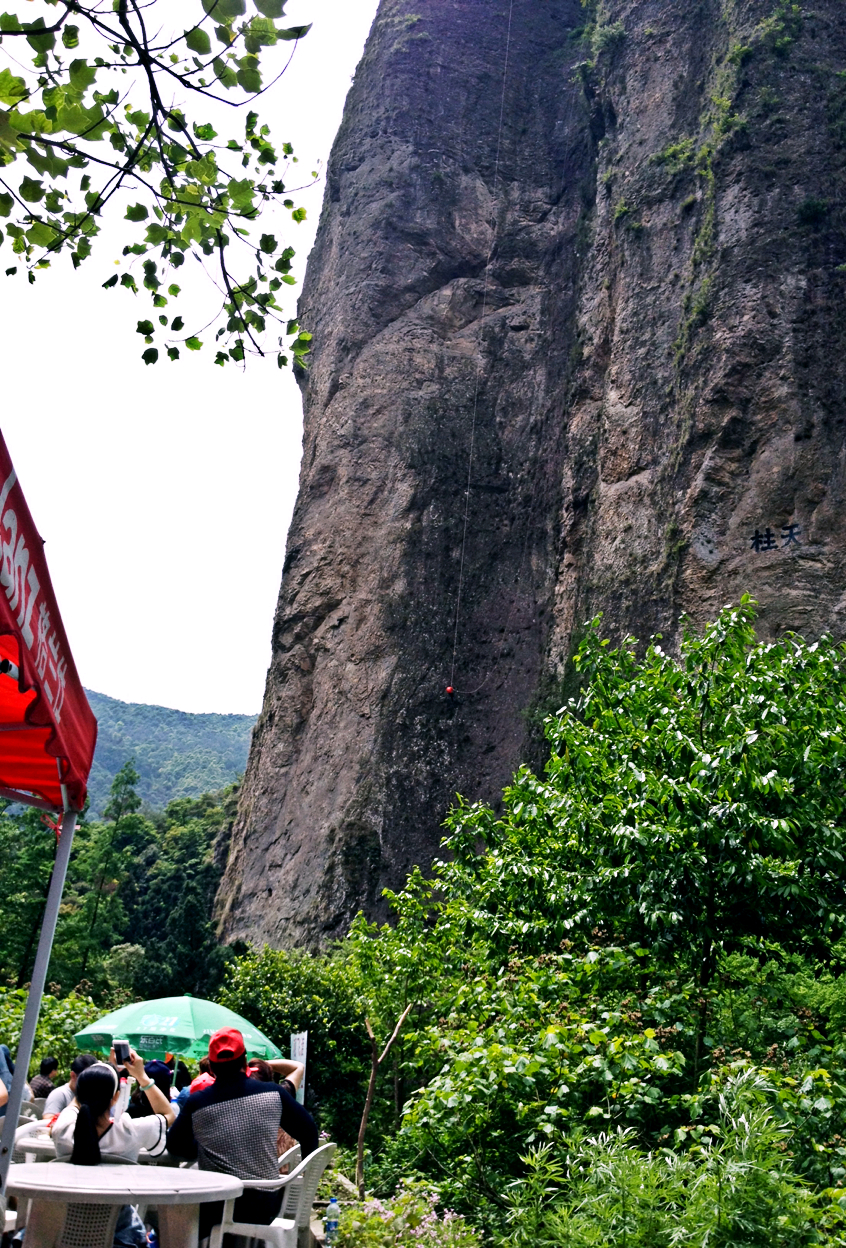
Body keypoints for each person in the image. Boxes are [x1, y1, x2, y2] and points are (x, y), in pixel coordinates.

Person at [167, 1027, 318, 1241]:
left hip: (218, 1205)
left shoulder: (197, 1103)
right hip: (266, 1205)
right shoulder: (273, 1093)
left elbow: (174, 1145)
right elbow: (309, 1131)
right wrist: (306, 1181)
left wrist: (201, 1147)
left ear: (211, 1067)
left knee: (176, 1213)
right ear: (245, 1061)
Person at [51, 1052, 175, 1248]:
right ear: (116, 1097)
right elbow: (168, 1114)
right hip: (119, 1236)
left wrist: (100, 1073)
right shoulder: (129, 1132)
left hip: (62, 1230)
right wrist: (142, 1077)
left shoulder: (62, 1129)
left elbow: (77, 1104)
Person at [42, 1053, 98, 1119]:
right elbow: (47, 1121)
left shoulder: (90, 1096)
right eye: (87, 1079)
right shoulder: (60, 1094)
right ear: (73, 1076)